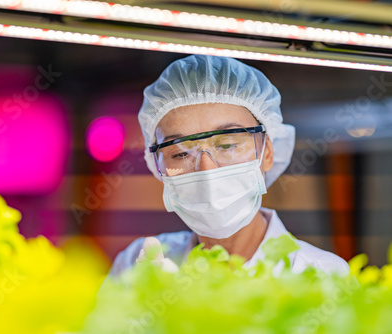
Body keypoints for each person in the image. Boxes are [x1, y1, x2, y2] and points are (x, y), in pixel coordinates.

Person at [109, 55, 349, 277]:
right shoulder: (136, 265)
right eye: (181, 153)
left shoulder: (320, 275)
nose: (207, 170)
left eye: (227, 145)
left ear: (267, 152)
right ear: (157, 167)